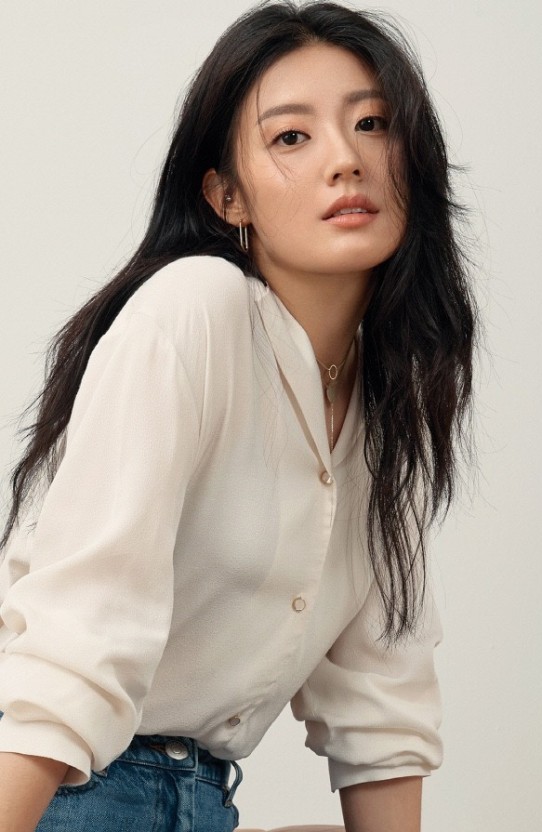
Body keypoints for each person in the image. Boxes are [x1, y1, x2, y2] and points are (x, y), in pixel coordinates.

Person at [0, 1, 476, 830]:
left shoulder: (389, 395)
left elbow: (380, 701)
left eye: (371, 124)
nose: (345, 160)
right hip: (57, 780)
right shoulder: (196, 307)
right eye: (291, 137)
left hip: (194, 798)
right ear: (226, 196)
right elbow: (77, 638)